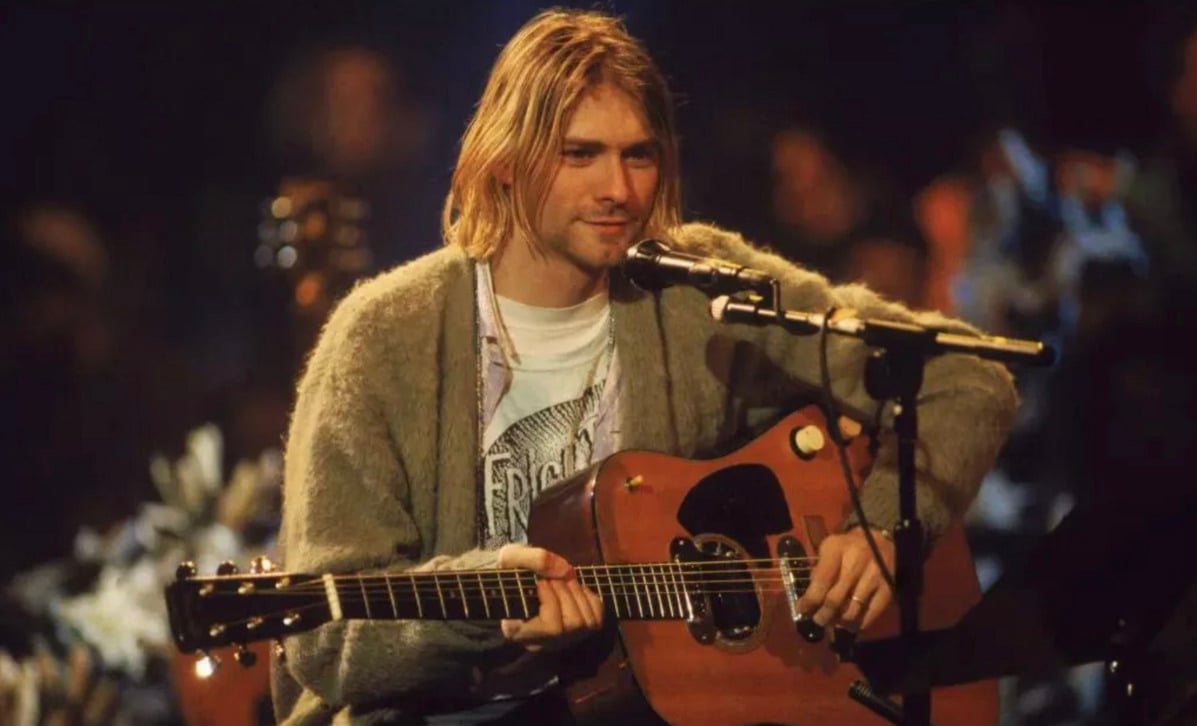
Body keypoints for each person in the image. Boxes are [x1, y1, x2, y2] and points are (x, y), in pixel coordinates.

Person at [271, 8, 1019, 724]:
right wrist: (484, 617)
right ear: (503, 162)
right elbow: (325, 637)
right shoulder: (381, 338)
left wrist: (882, 529)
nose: (619, 191)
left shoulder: (697, 289)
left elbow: (966, 378)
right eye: (581, 154)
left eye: (639, 155)